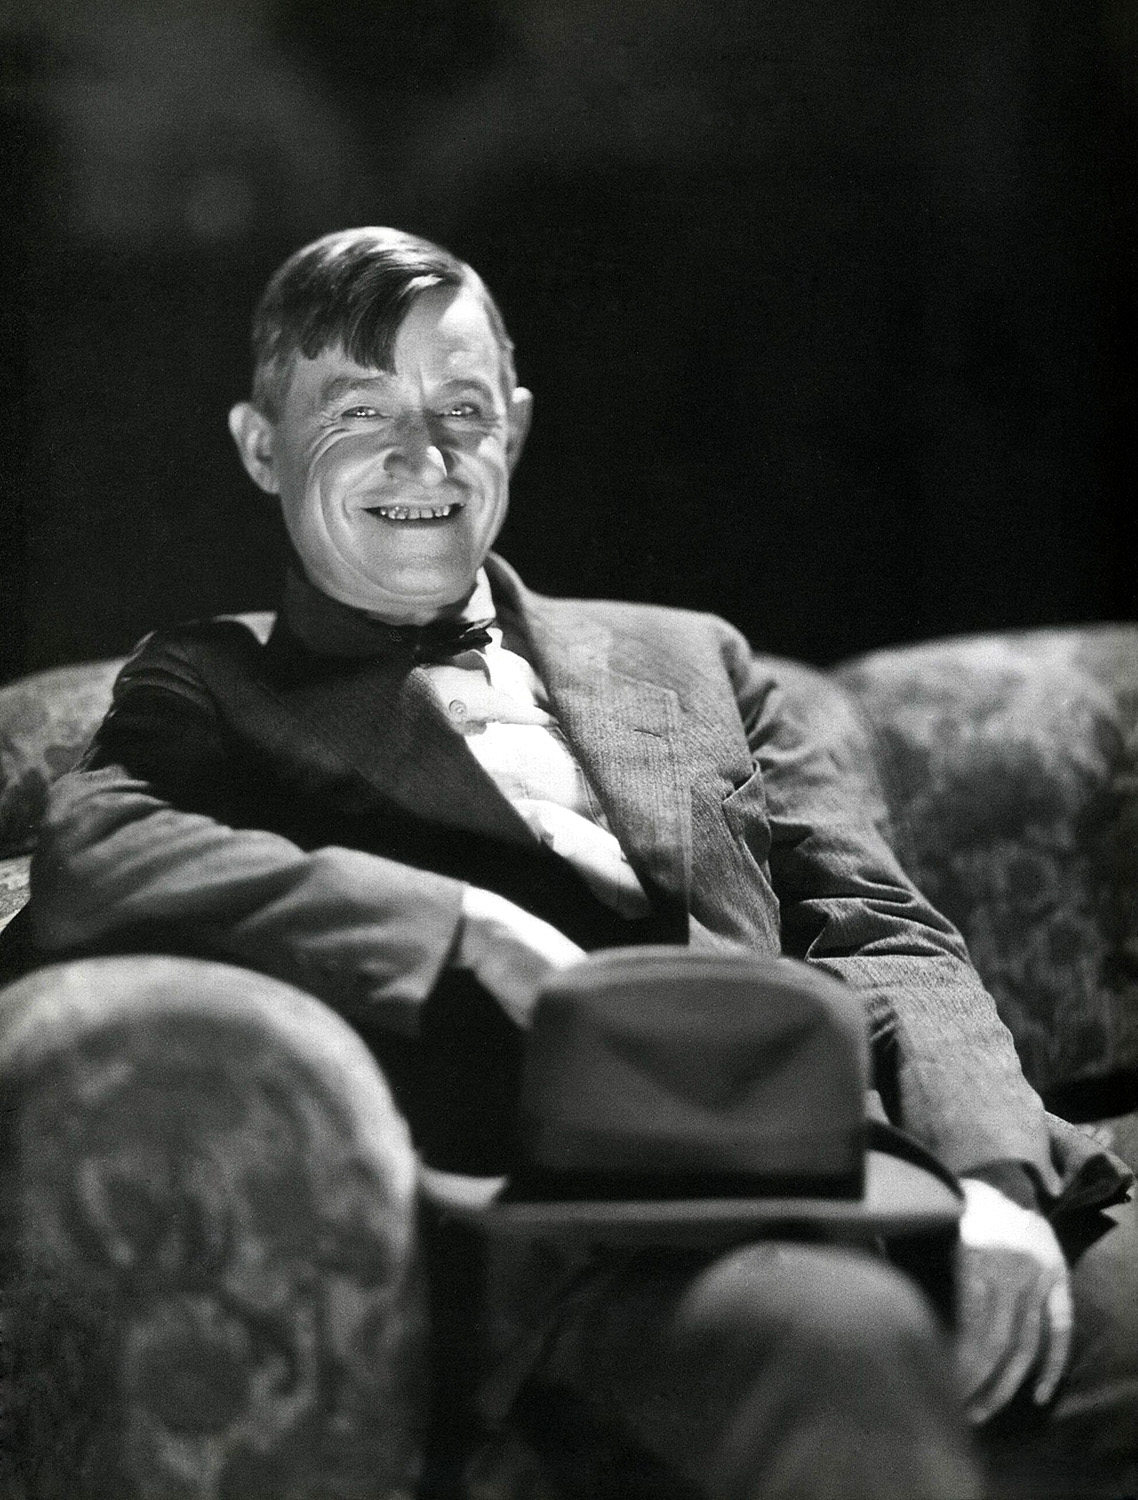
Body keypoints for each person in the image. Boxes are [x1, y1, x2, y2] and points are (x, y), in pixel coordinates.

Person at [9, 227, 1136, 1499]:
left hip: (871, 1158)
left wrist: (994, 1184)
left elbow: (884, 935)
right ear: (262, 447)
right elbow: (94, 853)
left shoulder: (693, 654)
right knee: (840, 1342)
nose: (422, 454)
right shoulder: (212, 684)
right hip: (591, 1233)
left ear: (517, 427)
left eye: (461, 408)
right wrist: (460, 926)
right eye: (358, 411)